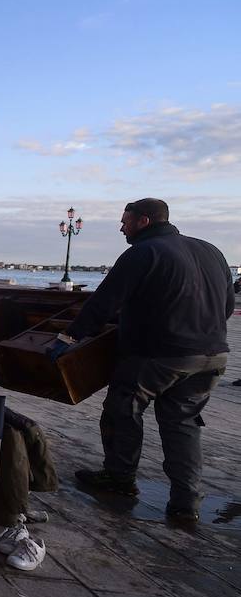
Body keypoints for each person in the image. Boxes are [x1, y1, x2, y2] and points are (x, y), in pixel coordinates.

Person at [52, 198, 233, 520]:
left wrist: (69, 337)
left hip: (159, 354)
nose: (122, 227)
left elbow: (105, 302)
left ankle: (119, 476)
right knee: (183, 424)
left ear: (144, 221)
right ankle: (186, 501)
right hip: (212, 355)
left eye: (126, 221)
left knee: (124, 409)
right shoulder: (211, 250)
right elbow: (228, 306)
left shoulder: (143, 252)